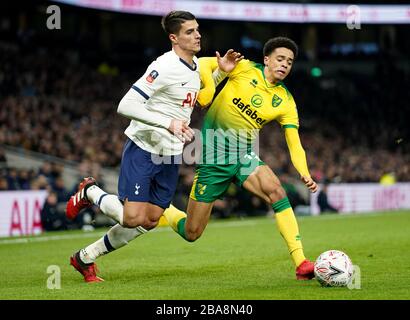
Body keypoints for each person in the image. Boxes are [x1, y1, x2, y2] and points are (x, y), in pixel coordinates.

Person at [65, 11, 242, 282]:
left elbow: (188, 101)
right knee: (132, 218)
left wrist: (220, 75)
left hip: (171, 153)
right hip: (145, 147)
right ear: (174, 37)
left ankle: (84, 258)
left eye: (197, 30)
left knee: (150, 220)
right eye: (189, 32)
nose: (197, 35)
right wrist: (167, 123)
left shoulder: (194, 66)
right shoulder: (164, 66)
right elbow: (126, 105)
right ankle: (90, 191)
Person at [163, 37, 319, 280]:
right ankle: (165, 210)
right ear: (266, 59)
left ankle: (301, 263)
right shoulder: (243, 67)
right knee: (192, 232)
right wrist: (211, 86)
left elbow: (294, 141)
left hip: (243, 155)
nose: (284, 64)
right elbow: (201, 64)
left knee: (277, 192)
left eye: (289, 62)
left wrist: (305, 172)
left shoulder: (286, 101)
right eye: (280, 59)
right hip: (213, 157)